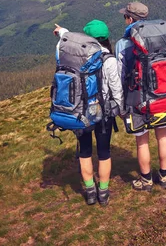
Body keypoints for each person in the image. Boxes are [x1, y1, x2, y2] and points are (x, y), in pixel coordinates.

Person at [53, 20, 123, 206]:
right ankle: (104, 193)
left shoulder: (71, 53)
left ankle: (90, 192)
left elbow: (65, 40)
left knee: (84, 152)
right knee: (103, 152)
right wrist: (121, 109)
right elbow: (117, 90)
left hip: (80, 112)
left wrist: (62, 31)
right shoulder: (109, 60)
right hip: (103, 113)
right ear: (106, 37)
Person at [115, 2, 166, 192]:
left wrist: (120, 105)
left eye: (125, 17)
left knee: (142, 141)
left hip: (137, 101)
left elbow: (120, 76)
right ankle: (164, 177)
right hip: (163, 96)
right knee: (163, 137)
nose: (125, 19)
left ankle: (146, 180)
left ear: (130, 19)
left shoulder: (123, 44)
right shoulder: (163, 37)